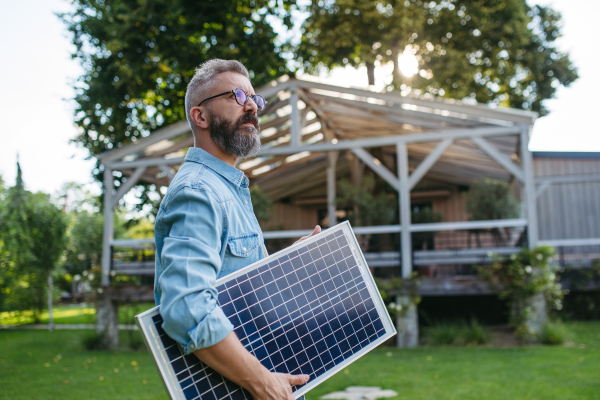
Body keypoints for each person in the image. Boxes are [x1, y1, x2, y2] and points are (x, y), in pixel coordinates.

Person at [154, 59, 320, 400]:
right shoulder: (198, 192)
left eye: (255, 100)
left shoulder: (227, 189)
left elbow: (237, 286)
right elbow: (187, 307)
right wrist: (262, 382)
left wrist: (288, 261)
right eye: (237, 95)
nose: (251, 107)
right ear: (200, 116)